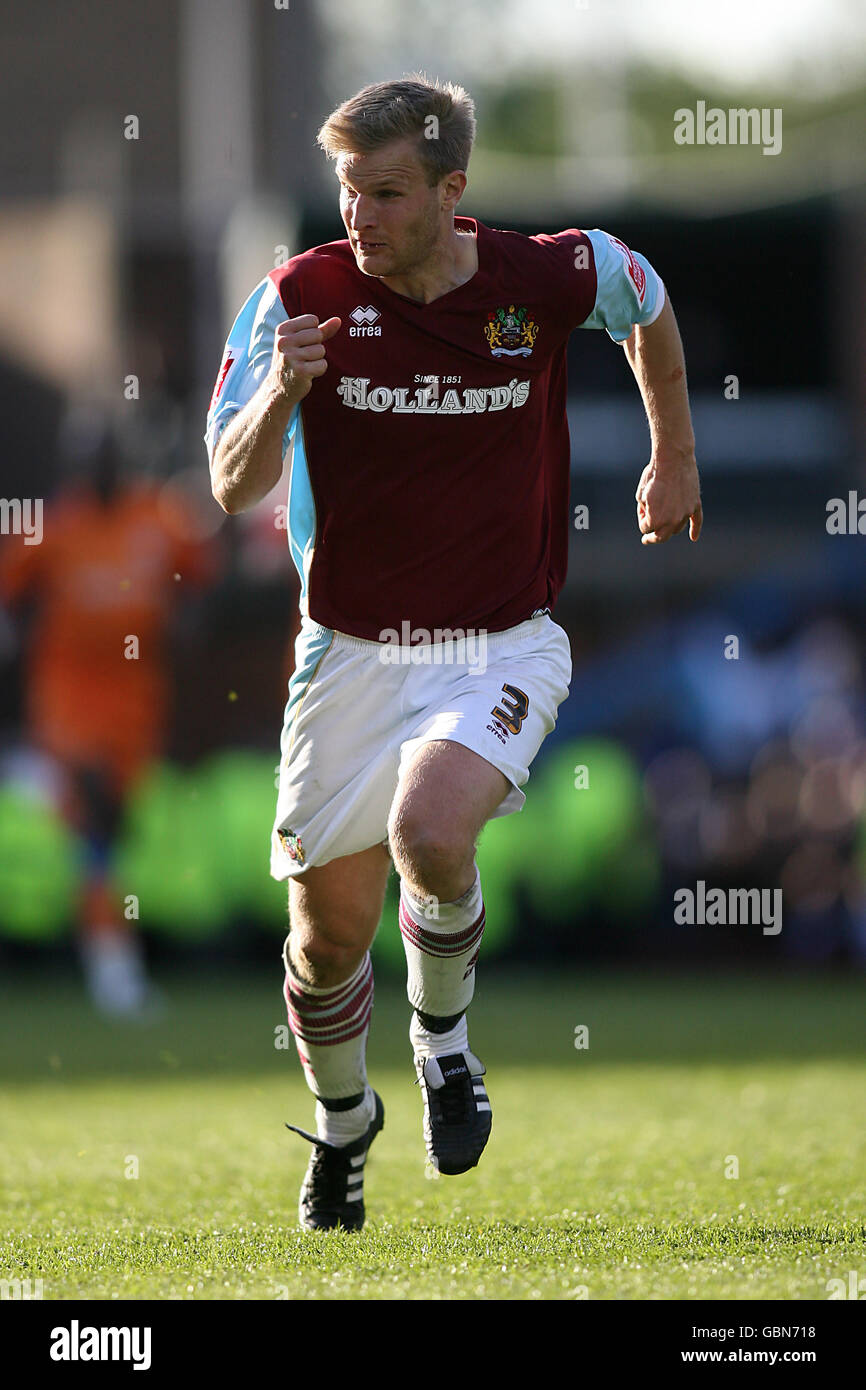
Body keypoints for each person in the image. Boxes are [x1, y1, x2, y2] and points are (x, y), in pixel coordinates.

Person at [205, 74, 701, 1231]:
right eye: (344, 192)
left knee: (430, 834)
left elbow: (647, 299)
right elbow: (231, 487)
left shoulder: (546, 277)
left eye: (384, 193)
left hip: (500, 643)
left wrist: (671, 453)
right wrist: (282, 389)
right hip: (348, 657)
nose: (357, 218)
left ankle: (443, 1048)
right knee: (324, 947)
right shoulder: (297, 296)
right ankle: (341, 1127)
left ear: (450, 190)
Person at [0, 419, 216, 1015]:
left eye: (110, 455)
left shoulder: (158, 517)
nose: (102, 468)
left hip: (138, 703)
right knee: (94, 814)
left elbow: (198, 580)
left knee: (111, 831)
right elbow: (10, 593)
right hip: (68, 701)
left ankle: (104, 951)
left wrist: (182, 619)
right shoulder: (55, 525)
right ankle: (114, 972)